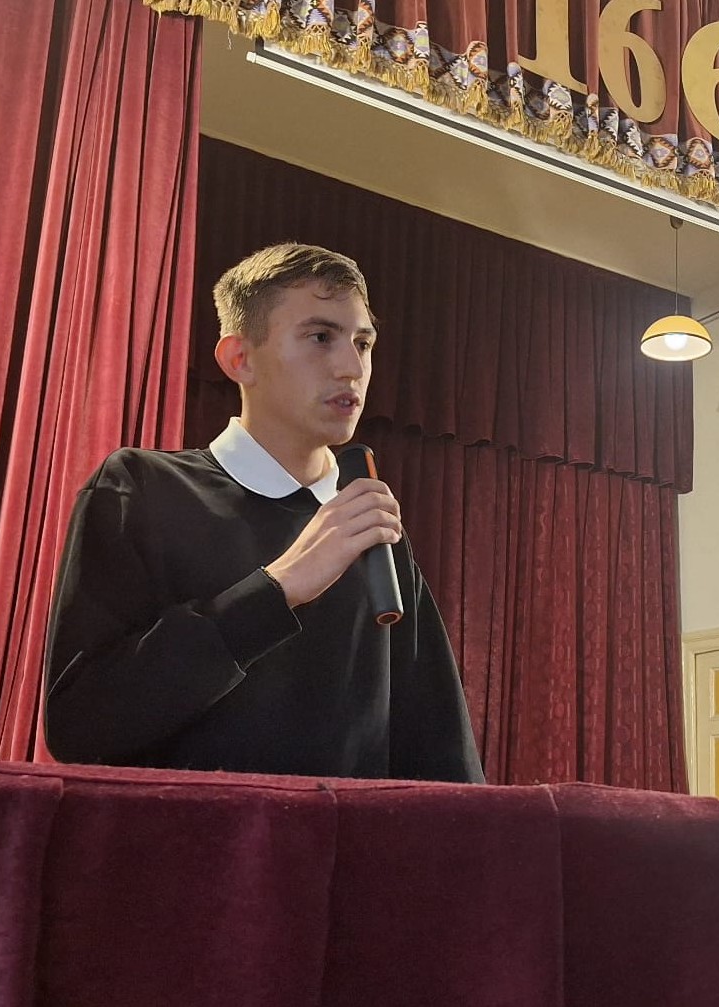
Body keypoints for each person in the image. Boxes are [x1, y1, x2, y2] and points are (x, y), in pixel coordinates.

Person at [44, 243, 484, 783]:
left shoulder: (370, 526)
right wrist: (276, 590)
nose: (352, 368)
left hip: (347, 841)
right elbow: (81, 724)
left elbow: (440, 754)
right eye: (320, 337)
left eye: (363, 343)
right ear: (240, 359)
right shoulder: (141, 486)